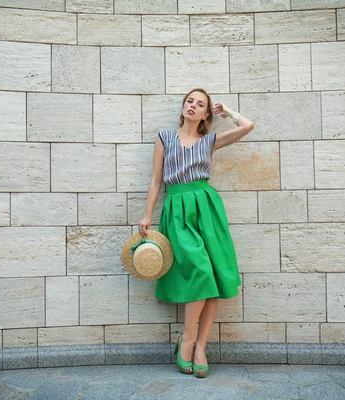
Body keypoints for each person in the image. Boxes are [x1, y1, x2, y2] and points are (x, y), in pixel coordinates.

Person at [139, 88, 254, 378]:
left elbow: (248, 126)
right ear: (183, 107)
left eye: (200, 104)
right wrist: (147, 214)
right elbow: (155, 180)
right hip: (178, 210)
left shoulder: (210, 141)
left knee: (212, 276)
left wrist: (227, 112)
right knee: (201, 270)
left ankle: (200, 346)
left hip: (207, 208)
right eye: (190, 101)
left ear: (205, 114)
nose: (193, 105)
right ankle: (187, 340)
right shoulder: (164, 138)